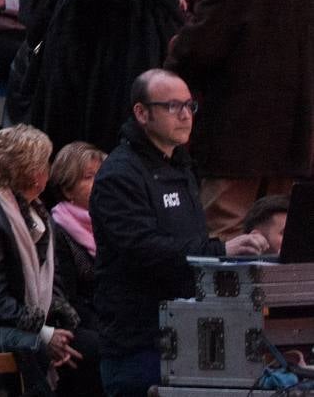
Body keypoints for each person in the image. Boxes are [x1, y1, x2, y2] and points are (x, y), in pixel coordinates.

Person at [91, 70, 269, 397]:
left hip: (189, 332)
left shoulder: (181, 166)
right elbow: (144, 250)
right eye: (173, 106)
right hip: (139, 342)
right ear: (142, 113)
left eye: (189, 106)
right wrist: (220, 252)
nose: (186, 115)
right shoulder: (120, 175)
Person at [166, 0, 314, 236]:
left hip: (237, 134)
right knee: (281, 233)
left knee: (225, 232)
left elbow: (202, 45)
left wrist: (174, 56)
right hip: (294, 133)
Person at [0, 125, 101, 397]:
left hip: (16, 322)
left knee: (86, 344)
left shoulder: (39, 215)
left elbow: (54, 285)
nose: (49, 170)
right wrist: (45, 332)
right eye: (45, 163)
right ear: (33, 173)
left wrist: (59, 323)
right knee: (52, 348)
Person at [13, 0, 183, 151]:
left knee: (64, 163)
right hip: (129, 81)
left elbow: (31, 13)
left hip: (63, 75)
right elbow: (172, 31)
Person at [48, 141, 105, 332]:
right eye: (89, 177)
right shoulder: (58, 230)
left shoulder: (112, 222)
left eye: (101, 175)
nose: (99, 182)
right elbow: (68, 299)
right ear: (67, 189)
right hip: (80, 325)